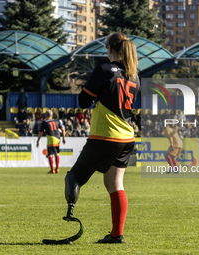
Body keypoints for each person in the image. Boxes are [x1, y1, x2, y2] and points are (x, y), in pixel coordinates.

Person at [64, 32, 140, 243]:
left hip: (105, 136)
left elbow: (83, 101)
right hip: (127, 137)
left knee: (73, 178)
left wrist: (93, 95)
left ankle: (69, 213)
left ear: (110, 49)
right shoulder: (134, 74)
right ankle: (117, 235)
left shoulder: (104, 69)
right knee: (115, 184)